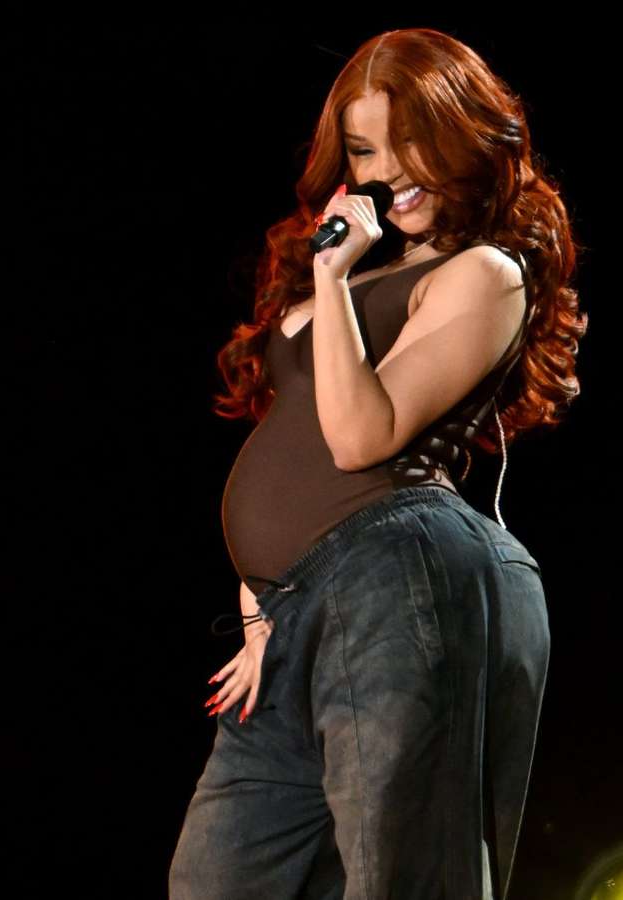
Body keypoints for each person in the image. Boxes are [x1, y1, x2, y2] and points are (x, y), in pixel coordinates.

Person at [169, 27, 586, 900]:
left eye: (411, 143)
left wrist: (331, 280)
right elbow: (293, 441)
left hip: (391, 576)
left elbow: (361, 439)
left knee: (401, 874)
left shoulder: (482, 272)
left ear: (463, 136)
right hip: (296, 614)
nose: (388, 173)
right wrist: (259, 614)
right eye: (365, 152)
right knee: (215, 881)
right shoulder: (357, 273)